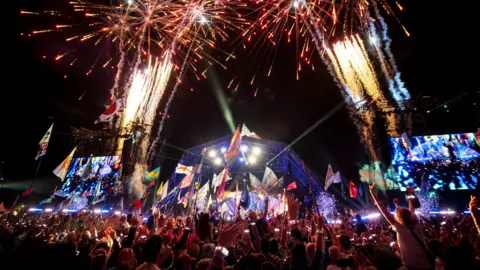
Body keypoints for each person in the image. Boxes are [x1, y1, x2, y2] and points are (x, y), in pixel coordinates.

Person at [369, 181, 433, 270]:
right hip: (426, 262)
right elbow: (411, 208)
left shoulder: (400, 228)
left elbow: (384, 210)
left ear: (398, 218)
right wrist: (410, 194)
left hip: (411, 265)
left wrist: (372, 193)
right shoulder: (415, 223)